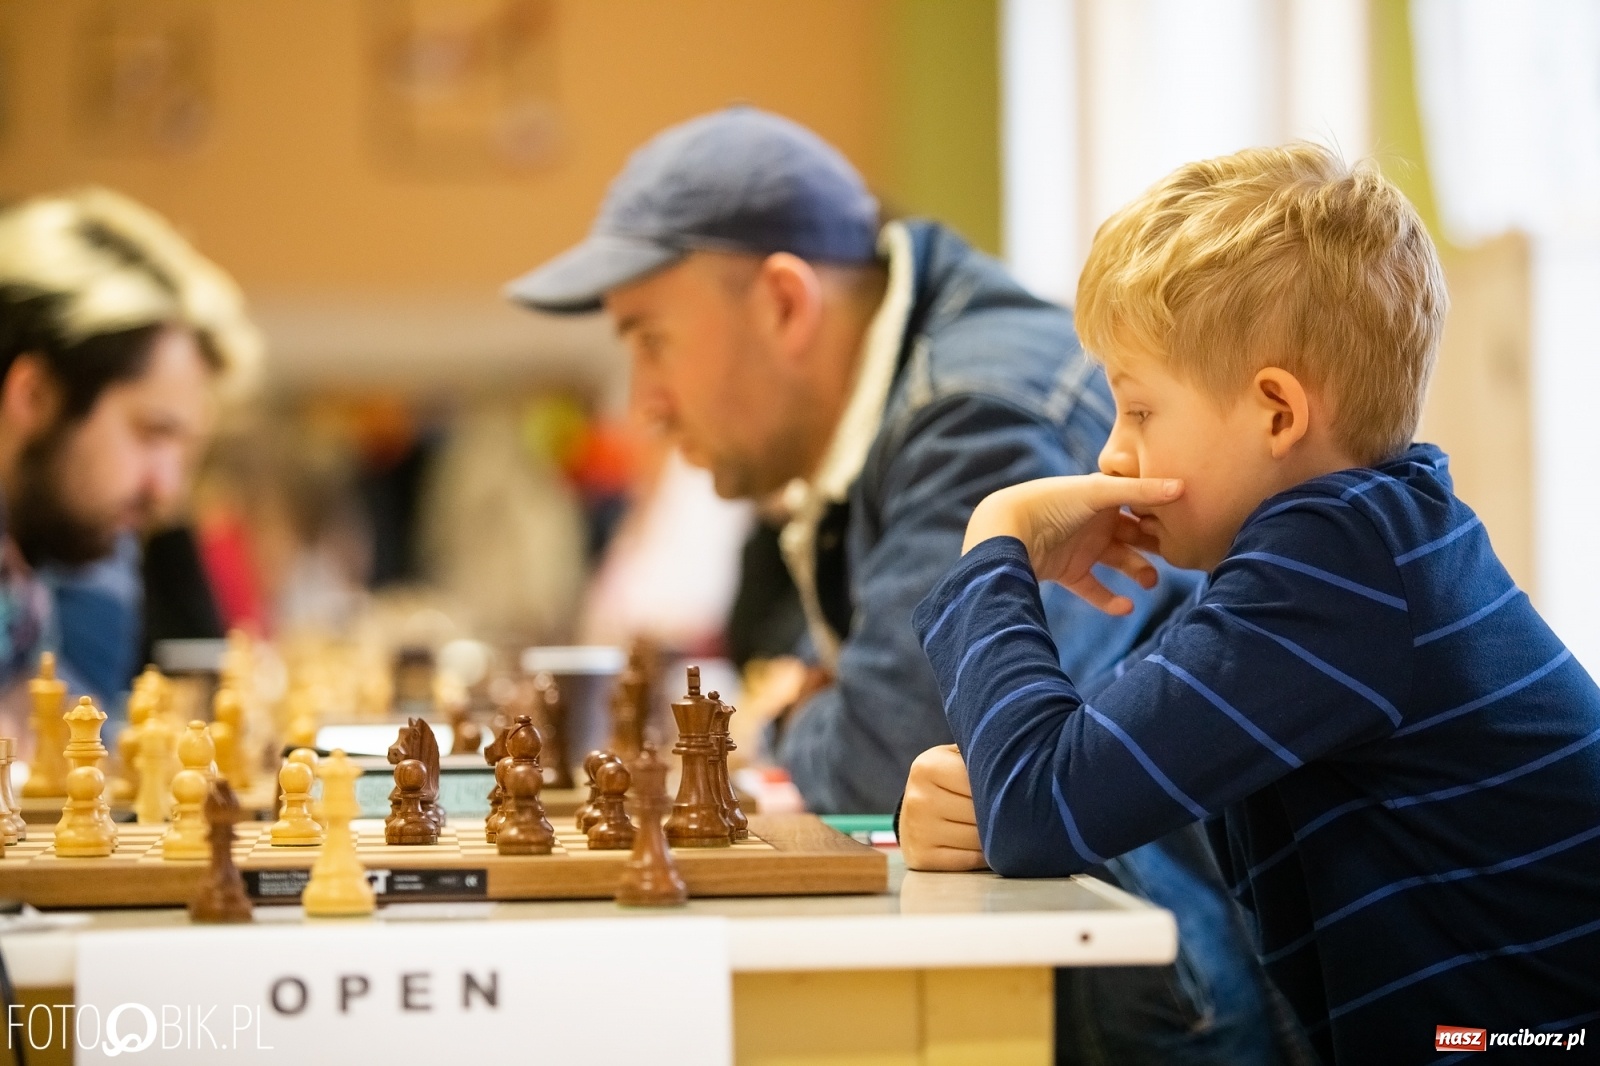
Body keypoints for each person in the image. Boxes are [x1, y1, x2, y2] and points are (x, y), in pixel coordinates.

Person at [507, 108, 1294, 1065]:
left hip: (1149, 1008)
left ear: (786, 303)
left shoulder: (976, 414)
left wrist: (793, 715)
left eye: (651, 340)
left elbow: (890, 755)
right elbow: (846, 700)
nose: (642, 402)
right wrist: (809, 699)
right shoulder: (905, 398)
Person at [901, 144, 1600, 1064]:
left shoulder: (1338, 565)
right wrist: (992, 794)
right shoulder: (1364, 546)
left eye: (1140, 411)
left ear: (1276, 411)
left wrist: (996, 538)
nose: (1112, 455)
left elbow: (1045, 804)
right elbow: (1077, 777)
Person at [0, 187, 258, 709]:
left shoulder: (67, 548)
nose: (167, 490)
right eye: (151, 434)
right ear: (34, 395)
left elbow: (74, 736)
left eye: (184, 451)